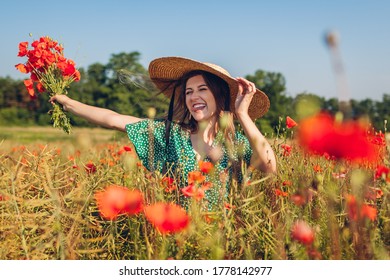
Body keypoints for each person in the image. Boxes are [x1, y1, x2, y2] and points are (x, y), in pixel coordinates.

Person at [50, 57, 277, 209]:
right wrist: (69, 103)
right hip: (177, 240)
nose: (193, 96)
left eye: (202, 89)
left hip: (223, 242)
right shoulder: (172, 134)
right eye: (188, 91)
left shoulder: (235, 145)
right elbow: (114, 119)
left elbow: (270, 167)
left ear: (220, 96)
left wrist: (242, 115)